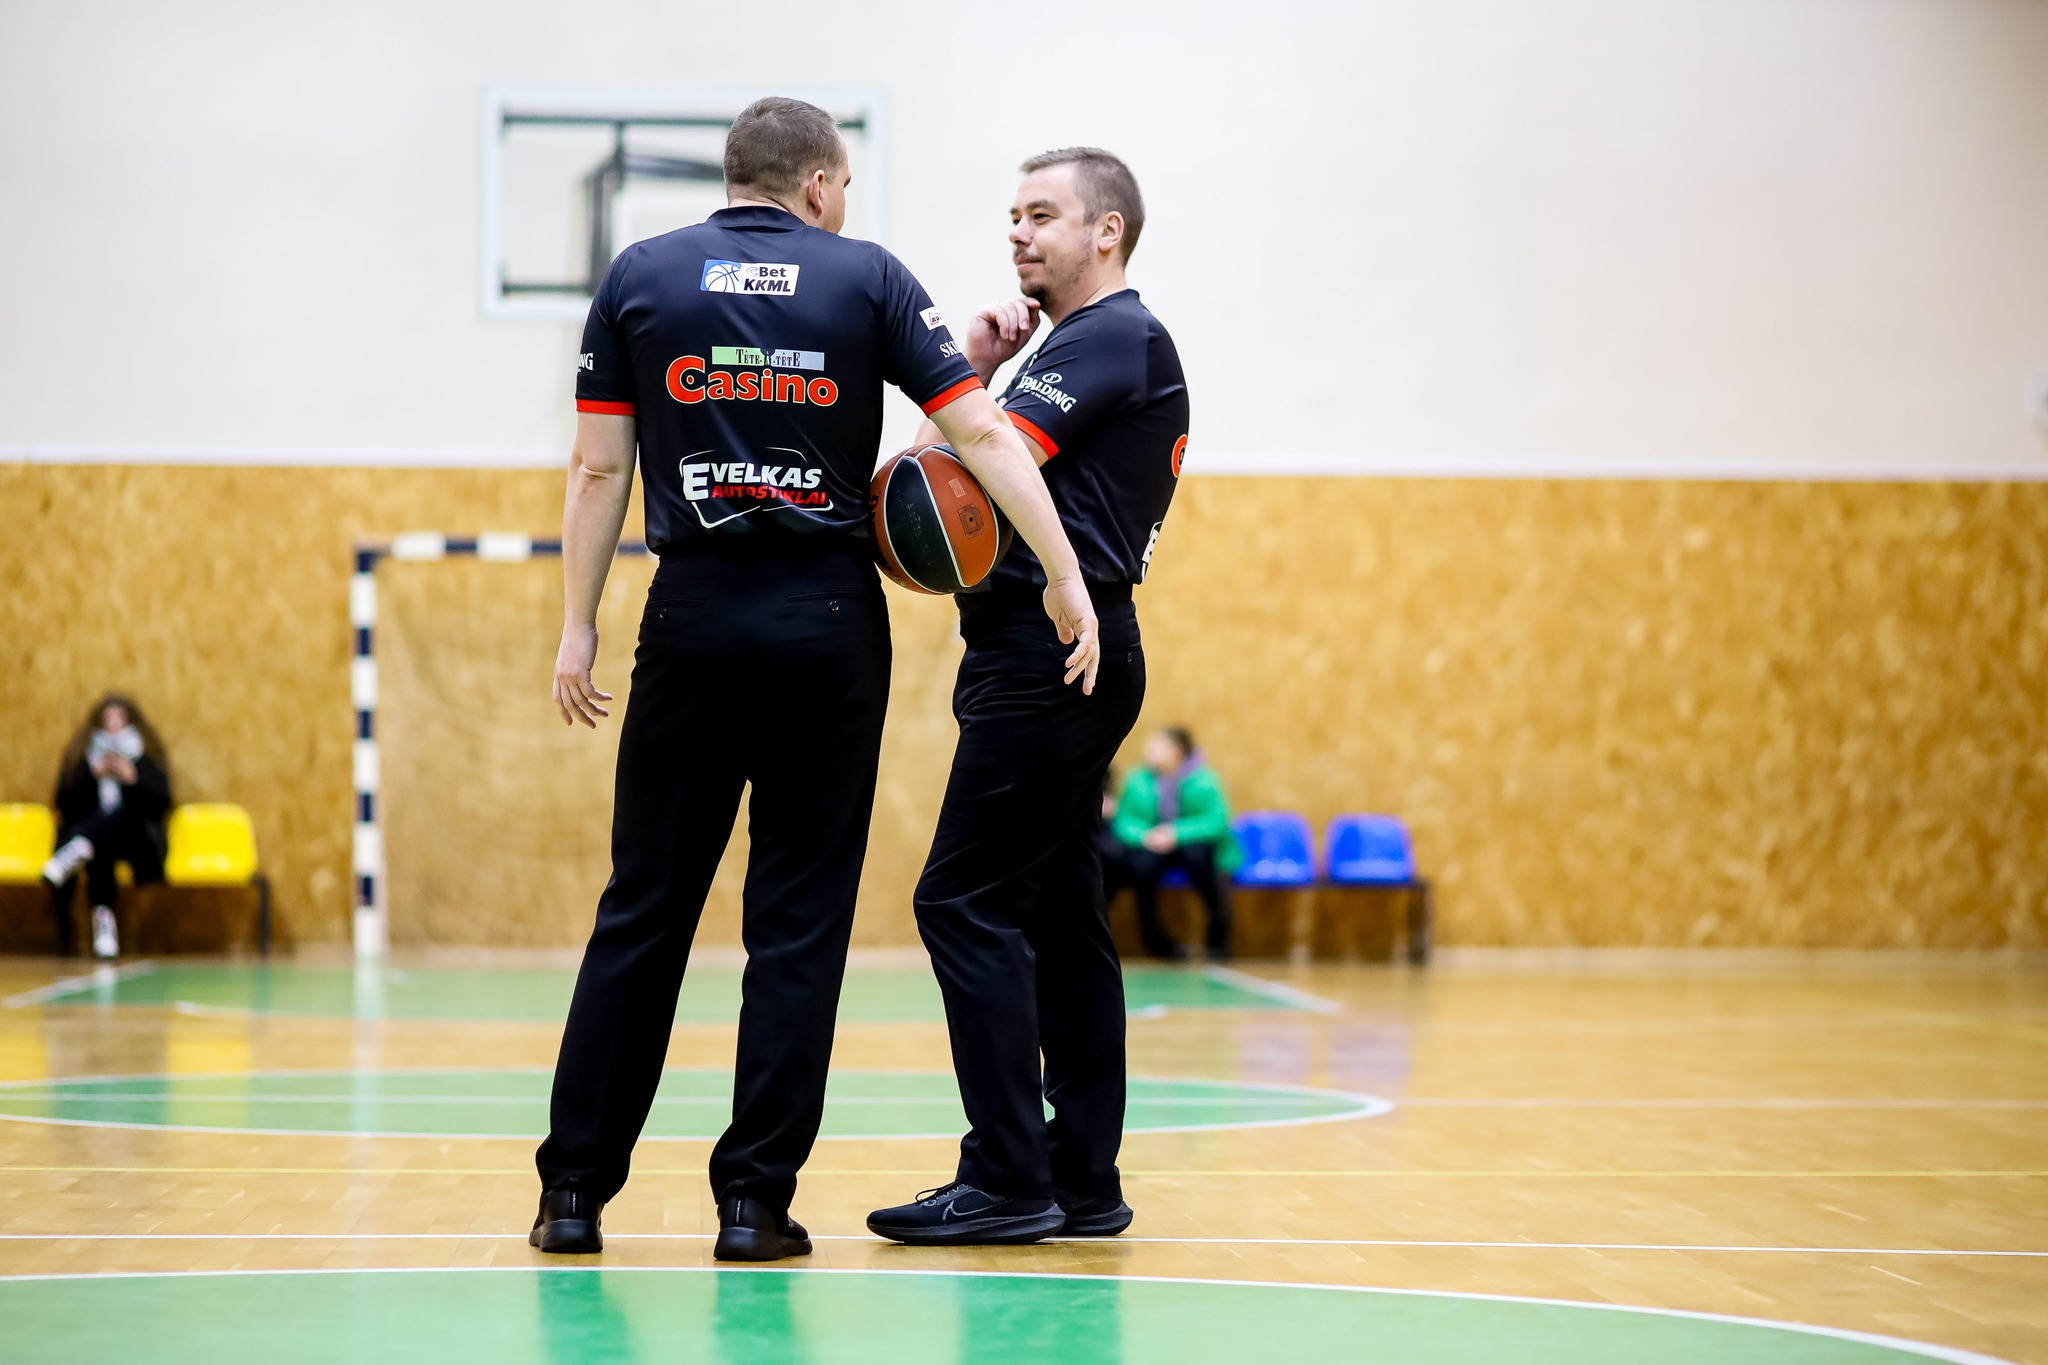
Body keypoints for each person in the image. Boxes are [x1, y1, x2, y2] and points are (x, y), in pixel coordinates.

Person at [531, 98, 1099, 1264]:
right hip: (826, 628)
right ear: (821, 183)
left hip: (689, 620)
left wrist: (576, 627)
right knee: (795, 928)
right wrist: (1062, 573)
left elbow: (596, 472)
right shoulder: (868, 278)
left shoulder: (640, 276)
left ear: (732, 177)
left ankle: (572, 1195)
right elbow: (983, 437)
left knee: (642, 910)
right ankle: (753, 1206)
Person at [868, 147, 1189, 1246]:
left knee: (960, 901)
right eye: (1012, 215)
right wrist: (970, 365)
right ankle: (1080, 1176)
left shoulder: (1114, 336)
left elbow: (960, 465)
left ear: (1106, 232)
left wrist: (960, 381)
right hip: (1046, 653)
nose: (1017, 232)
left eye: (1042, 214)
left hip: (1051, 653)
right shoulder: (1059, 352)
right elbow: (918, 496)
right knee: (1058, 915)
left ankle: (1008, 1175)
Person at [41, 695, 173, 960]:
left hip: (136, 841)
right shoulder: (83, 758)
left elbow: (162, 804)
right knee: (101, 849)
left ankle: (79, 847)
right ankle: (104, 925)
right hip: (104, 846)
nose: (113, 726)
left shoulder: (145, 757)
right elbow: (62, 802)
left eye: (119, 719)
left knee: (118, 818)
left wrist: (132, 779)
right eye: (107, 720)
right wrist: (91, 775)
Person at [1102, 726, 1241, 961]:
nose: (1149, 749)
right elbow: (1124, 821)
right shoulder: (1138, 780)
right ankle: (1156, 938)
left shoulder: (1204, 780)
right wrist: (1146, 836)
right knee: (1141, 866)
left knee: (1200, 859)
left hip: (1192, 845)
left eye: (1157, 745)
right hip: (1153, 845)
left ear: (1176, 751)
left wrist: (1175, 833)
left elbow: (1217, 821)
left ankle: (1217, 936)